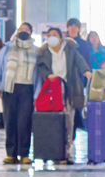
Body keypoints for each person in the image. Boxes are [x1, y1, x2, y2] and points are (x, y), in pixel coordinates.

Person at [36, 28, 92, 163]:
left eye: (54, 35)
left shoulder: (70, 50)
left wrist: (87, 72)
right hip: (53, 91)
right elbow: (41, 68)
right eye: (49, 36)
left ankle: (66, 150)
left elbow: (80, 61)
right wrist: (47, 76)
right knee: (55, 122)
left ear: (61, 38)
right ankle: (55, 150)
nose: (51, 38)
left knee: (69, 121)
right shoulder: (43, 52)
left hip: (69, 90)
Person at [0, 22, 37, 164]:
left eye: (27, 29)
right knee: (10, 120)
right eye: (21, 29)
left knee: (25, 122)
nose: (24, 31)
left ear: (30, 33)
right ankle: (11, 154)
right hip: (9, 88)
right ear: (17, 32)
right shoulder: (6, 49)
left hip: (28, 88)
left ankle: (24, 154)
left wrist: (38, 93)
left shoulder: (36, 50)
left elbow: (38, 74)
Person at [67, 18, 91, 131]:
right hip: (65, 78)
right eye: (70, 26)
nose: (73, 28)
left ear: (78, 28)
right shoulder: (63, 43)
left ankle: (74, 132)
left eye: (75, 26)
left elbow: (86, 61)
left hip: (79, 79)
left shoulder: (84, 44)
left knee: (77, 105)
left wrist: (87, 80)